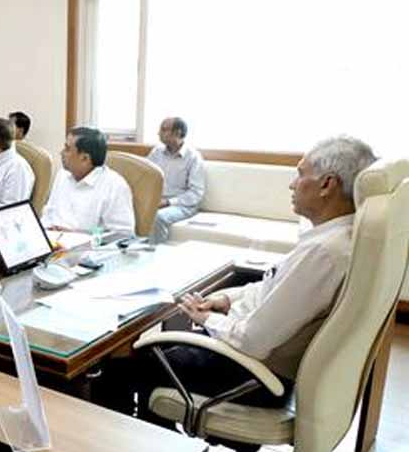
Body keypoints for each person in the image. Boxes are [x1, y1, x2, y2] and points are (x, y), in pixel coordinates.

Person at [136, 136, 377, 418]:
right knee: (165, 348)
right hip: (257, 361)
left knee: (133, 363)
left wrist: (207, 319)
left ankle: (144, 442)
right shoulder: (334, 238)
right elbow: (274, 287)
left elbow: (252, 341)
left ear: (327, 185)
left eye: (300, 174)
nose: (292, 184)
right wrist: (226, 300)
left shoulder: (324, 253)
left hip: (254, 375)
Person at [41, 126, 135, 234]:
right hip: (51, 240)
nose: (61, 153)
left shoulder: (115, 186)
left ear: (85, 158)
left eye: (67, 149)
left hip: (86, 244)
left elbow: (122, 235)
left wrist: (78, 236)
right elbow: (48, 214)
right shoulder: (62, 174)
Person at [148, 117, 206, 242]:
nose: (158, 133)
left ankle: (155, 251)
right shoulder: (156, 152)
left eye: (164, 130)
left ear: (177, 133)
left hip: (183, 205)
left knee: (158, 217)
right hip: (157, 201)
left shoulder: (193, 157)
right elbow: (145, 175)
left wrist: (168, 202)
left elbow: (196, 193)